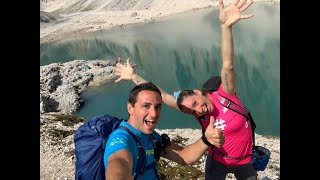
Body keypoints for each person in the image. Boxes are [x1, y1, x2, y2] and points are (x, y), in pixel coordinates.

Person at [113, 0, 256, 179]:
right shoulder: (196, 110)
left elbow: (228, 65)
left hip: (244, 162)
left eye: (196, 103)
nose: (198, 110)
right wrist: (133, 76)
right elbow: (162, 96)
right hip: (216, 160)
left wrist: (226, 28)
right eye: (192, 111)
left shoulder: (225, 94)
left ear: (198, 92)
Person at [104, 82, 225, 180]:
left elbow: (184, 156)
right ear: (130, 108)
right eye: (146, 106)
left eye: (158, 107)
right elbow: (118, 163)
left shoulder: (152, 137)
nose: (154, 113)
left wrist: (207, 139)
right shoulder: (121, 138)